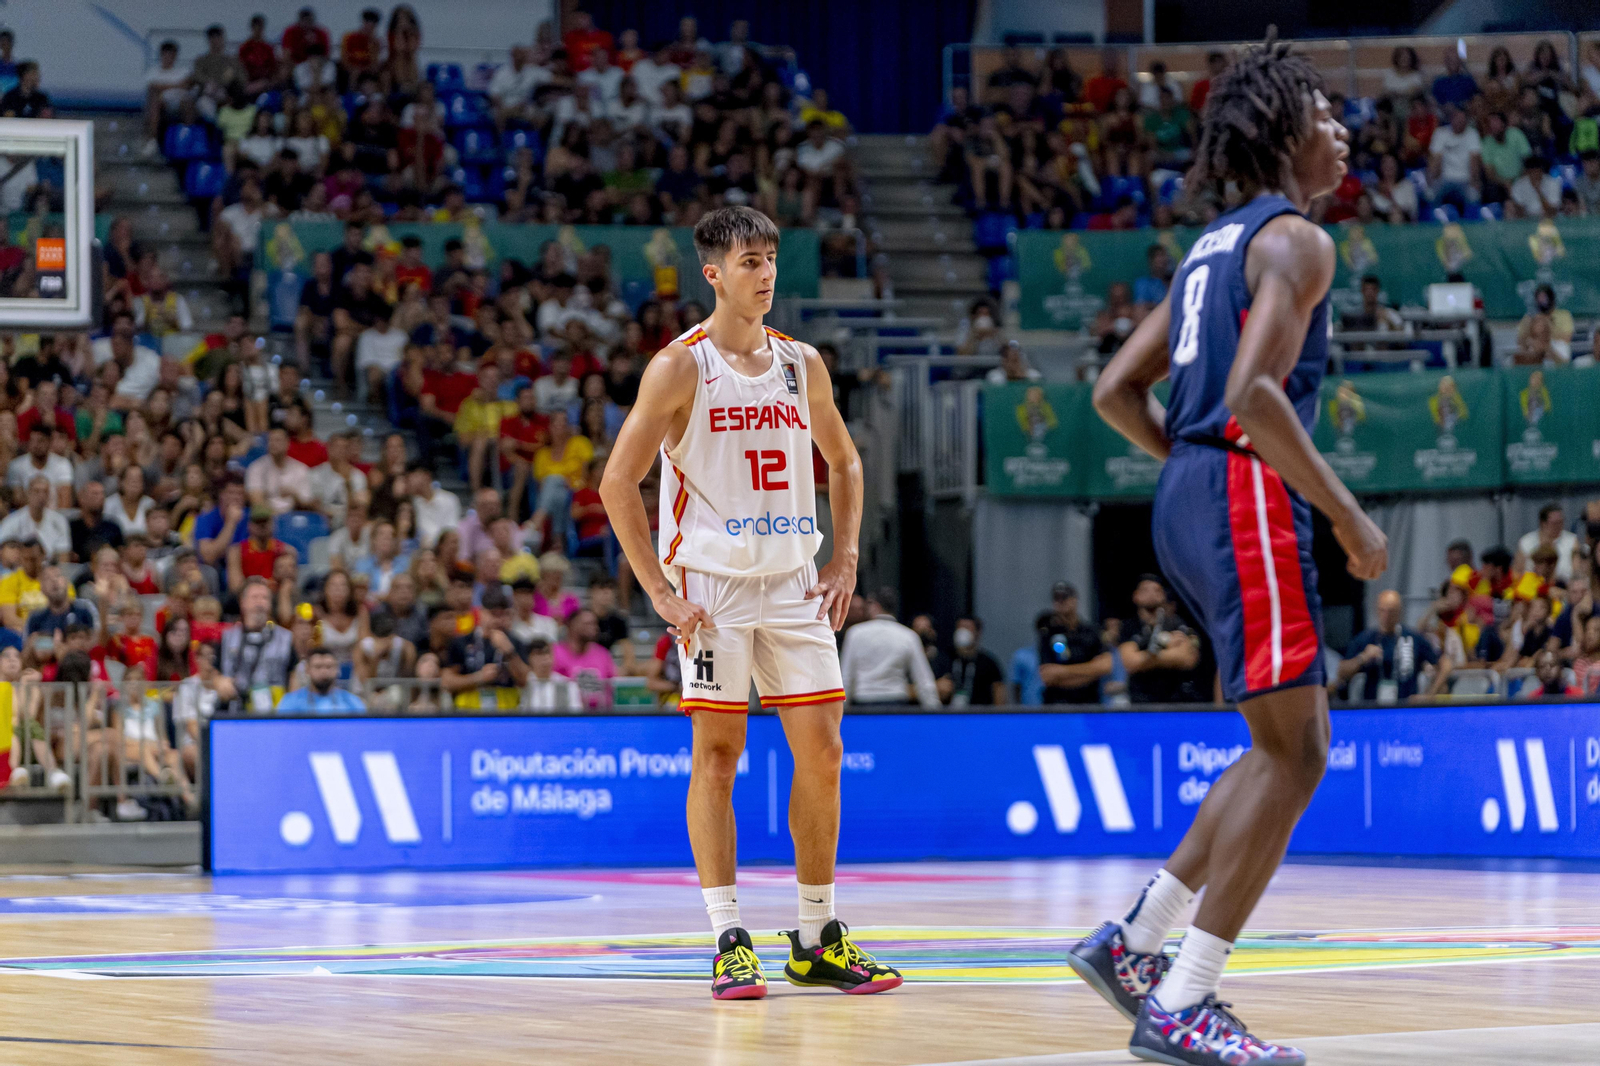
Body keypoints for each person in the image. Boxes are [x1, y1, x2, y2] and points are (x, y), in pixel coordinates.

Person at [1077, 35, 1387, 1065]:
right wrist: (1346, 514)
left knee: (1273, 740)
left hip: (1186, 492)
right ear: (1283, 128)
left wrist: (1189, 465)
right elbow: (1255, 395)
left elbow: (1113, 390)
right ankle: (1185, 997)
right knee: (1298, 749)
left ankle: (1135, 943)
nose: (1342, 130)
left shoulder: (1212, 245)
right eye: (1325, 113)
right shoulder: (1296, 240)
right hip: (1240, 487)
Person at [598, 205, 900, 1000]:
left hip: (795, 582)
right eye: (747, 262)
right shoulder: (680, 367)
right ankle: (729, 935)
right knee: (719, 758)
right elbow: (615, 482)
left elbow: (846, 460)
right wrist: (660, 592)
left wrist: (846, 557)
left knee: (824, 753)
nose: (764, 274)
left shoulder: (803, 363)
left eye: (769, 259)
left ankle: (815, 935)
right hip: (713, 591)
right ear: (712, 273)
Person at [1337, 589, 1450, 700]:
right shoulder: (1366, 638)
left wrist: (1430, 695)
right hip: (1374, 707)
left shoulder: (1412, 637)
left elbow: (1445, 664)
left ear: (1399, 612)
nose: (1386, 616)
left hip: (1405, 706)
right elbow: (1342, 671)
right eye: (1382, 610)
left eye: (1391, 611)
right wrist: (1362, 658)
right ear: (1377, 610)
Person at [838, 586, 938, 707]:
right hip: (896, 704)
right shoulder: (908, 636)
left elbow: (846, 677)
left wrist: (841, 712)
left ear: (875, 605)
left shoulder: (855, 634)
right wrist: (934, 710)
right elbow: (924, 680)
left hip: (863, 704)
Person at [1120, 575, 1206, 703]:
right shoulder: (1129, 627)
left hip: (1176, 700)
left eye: (1157, 590)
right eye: (1145, 590)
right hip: (1141, 701)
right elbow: (1130, 662)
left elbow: (1188, 658)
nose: (1151, 594)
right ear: (1136, 596)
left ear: (1163, 595)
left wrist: (1146, 657)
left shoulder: (1176, 623)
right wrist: (1166, 646)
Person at [440, 585, 528, 711]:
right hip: (468, 711)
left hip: (506, 712)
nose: (498, 620)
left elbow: (525, 680)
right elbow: (447, 681)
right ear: (481, 613)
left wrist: (509, 652)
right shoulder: (462, 641)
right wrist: (478, 677)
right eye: (493, 614)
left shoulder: (515, 642)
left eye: (503, 615)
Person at [215, 578, 296, 713]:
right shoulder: (227, 638)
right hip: (236, 712)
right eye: (254, 597)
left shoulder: (285, 638)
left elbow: (293, 675)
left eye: (264, 598)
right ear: (243, 602)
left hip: (275, 712)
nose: (259, 603)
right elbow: (214, 671)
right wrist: (219, 681)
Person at [1036, 582, 1111, 704]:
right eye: (1057, 599)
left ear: (1074, 600)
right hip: (1057, 704)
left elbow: (1105, 666)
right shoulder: (1048, 634)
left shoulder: (1092, 632)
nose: (1061, 602)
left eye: (1064, 598)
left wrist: (1061, 671)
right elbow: (1047, 676)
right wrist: (1090, 671)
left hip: (1089, 703)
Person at [934, 616, 1006, 706]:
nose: (962, 631)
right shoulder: (944, 659)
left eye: (967, 627)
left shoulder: (988, 663)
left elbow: (998, 692)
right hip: (949, 716)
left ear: (978, 632)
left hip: (980, 716)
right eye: (959, 628)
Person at [277, 647, 367, 713]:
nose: (324, 671)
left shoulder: (352, 702)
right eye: (318, 667)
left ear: (337, 670)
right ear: (307, 670)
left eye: (328, 667)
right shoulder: (290, 701)